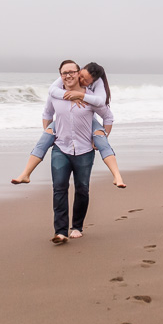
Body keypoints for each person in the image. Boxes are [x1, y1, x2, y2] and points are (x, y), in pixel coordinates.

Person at [11, 61, 126, 188]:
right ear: (79, 71)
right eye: (81, 76)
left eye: (86, 80)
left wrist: (80, 95)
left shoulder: (97, 83)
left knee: (101, 138)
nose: (81, 80)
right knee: (47, 135)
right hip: (63, 120)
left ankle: (117, 176)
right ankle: (25, 174)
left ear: (92, 82)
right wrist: (69, 96)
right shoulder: (68, 76)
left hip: (88, 120)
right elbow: (52, 92)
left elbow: (100, 102)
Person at [44, 60, 107, 244]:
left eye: (72, 72)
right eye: (65, 73)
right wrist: (48, 134)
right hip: (61, 147)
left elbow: (107, 115)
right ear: (60, 75)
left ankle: (77, 227)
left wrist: (100, 137)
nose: (69, 75)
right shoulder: (55, 94)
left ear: (78, 73)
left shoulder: (90, 96)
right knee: (59, 188)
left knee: (82, 189)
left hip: (84, 149)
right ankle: (60, 231)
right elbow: (47, 114)